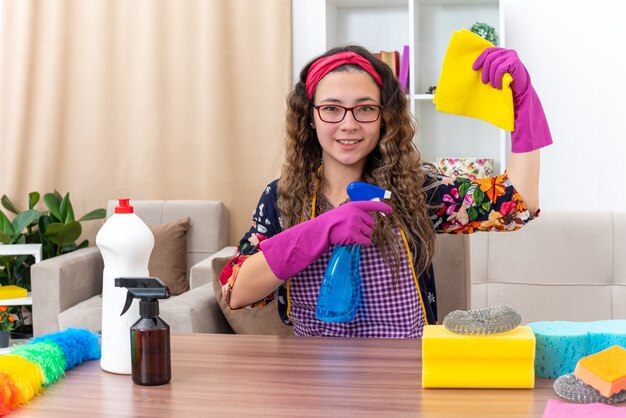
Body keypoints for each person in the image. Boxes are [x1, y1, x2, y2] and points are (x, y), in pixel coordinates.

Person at [219, 44, 552, 338]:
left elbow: (516, 204)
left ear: (383, 119)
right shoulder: (281, 197)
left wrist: (523, 102)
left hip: (405, 374)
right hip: (313, 372)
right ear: (310, 117)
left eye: (365, 108)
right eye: (332, 108)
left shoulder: (414, 190)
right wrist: (319, 230)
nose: (348, 124)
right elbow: (236, 291)